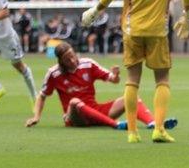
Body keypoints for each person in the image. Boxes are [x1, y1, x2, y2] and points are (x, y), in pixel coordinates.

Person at [81, 0, 189, 143]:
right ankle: (158, 129)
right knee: (162, 79)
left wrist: (95, 10)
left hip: (132, 30)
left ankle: (133, 132)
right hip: (158, 31)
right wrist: (187, 15)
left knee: (132, 79)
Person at [25, 42, 178, 130]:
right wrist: (36, 116)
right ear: (61, 61)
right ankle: (116, 125)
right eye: (67, 59)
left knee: (130, 98)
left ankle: (153, 123)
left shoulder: (88, 64)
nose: (72, 60)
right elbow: (42, 95)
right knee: (74, 102)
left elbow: (113, 80)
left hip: (96, 112)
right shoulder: (54, 73)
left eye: (72, 55)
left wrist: (116, 75)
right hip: (75, 118)